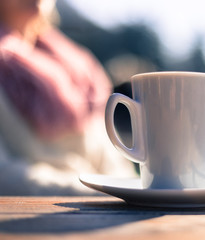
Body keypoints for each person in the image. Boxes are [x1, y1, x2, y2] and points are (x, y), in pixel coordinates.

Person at [0, 0, 136, 195]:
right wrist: (103, 192)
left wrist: (133, 191)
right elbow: (4, 177)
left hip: (102, 214)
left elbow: (113, 163)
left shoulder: (76, 67)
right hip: (34, 219)